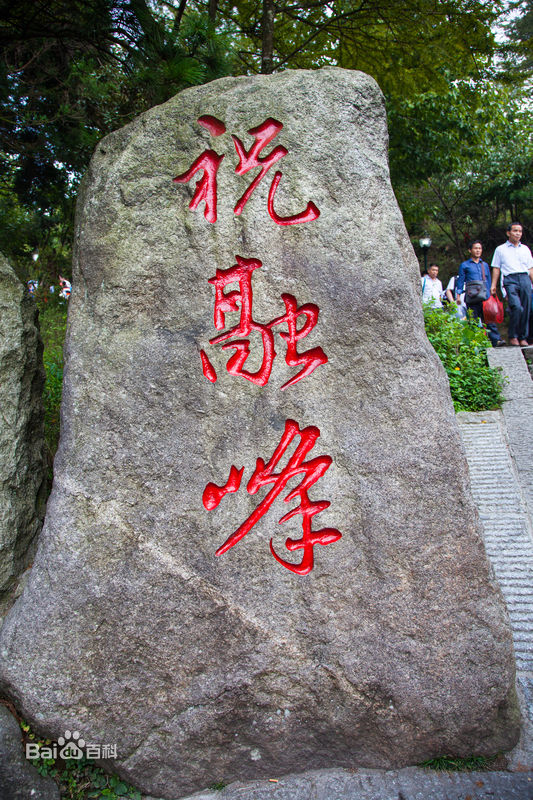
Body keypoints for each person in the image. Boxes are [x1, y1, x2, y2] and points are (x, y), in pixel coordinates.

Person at [491, 222, 533, 346]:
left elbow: (530, 268)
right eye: (515, 231)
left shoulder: (525, 249)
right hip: (510, 279)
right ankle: (513, 335)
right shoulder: (500, 249)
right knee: (516, 307)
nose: (518, 233)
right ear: (508, 233)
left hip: (524, 278)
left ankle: (523, 337)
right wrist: (493, 285)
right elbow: (496, 268)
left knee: (526, 309)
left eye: (520, 231)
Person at [456, 240, 505, 346]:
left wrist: (491, 292)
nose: (478, 250)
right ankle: (475, 343)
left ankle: (496, 340)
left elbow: (488, 279)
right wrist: (458, 295)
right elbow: (460, 280)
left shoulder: (485, 265)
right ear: (470, 250)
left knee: (489, 318)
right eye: (475, 248)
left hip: (485, 296)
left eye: (480, 248)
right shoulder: (465, 265)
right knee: (473, 320)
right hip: (472, 297)